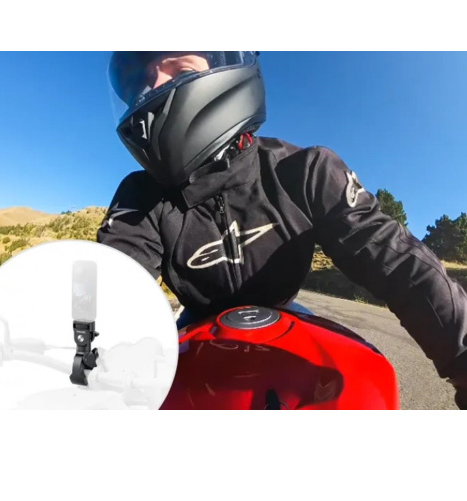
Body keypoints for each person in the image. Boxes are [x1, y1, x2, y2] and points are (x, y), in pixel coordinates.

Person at [98, 51, 467, 409]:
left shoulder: (304, 170)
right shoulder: (141, 197)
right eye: (141, 85)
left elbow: (396, 260)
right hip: (198, 325)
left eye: (179, 71)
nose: (152, 91)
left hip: (287, 315)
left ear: (229, 67)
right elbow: (113, 282)